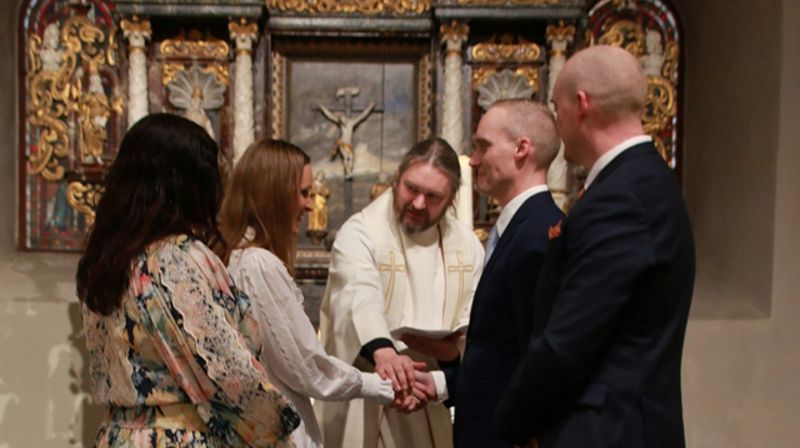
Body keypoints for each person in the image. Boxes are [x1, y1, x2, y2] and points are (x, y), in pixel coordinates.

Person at [494, 45, 695, 447]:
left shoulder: (622, 198)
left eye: (556, 106)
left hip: (605, 432)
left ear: (581, 104)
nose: (557, 121)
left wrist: (509, 423)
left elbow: (568, 341)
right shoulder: (642, 183)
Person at [76, 113, 300, 447]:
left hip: (117, 436)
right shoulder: (178, 258)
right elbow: (229, 372)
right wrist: (279, 431)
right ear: (192, 184)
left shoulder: (105, 262)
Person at [218, 139, 395, 448]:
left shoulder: (235, 256)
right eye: (303, 193)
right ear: (274, 192)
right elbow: (304, 365)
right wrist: (376, 384)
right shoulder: (258, 264)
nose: (311, 205)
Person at [414, 99, 565, 447]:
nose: (474, 160)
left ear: (521, 149)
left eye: (483, 146)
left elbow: (537, 362)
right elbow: (502, 357)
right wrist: (443, 383)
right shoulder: (519, 230)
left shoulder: (538, 237)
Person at [316, 137, 485, 448]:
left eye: (433, 196)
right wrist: (386, 355)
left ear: (451, 200)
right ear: (396, 179)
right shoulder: (361, 232)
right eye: (412, 189)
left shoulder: (467, 246)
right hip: (369, 394)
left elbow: (475, 322)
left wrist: (438, 372)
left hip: (431, 397)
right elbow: (357, 292)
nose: (419, 203)